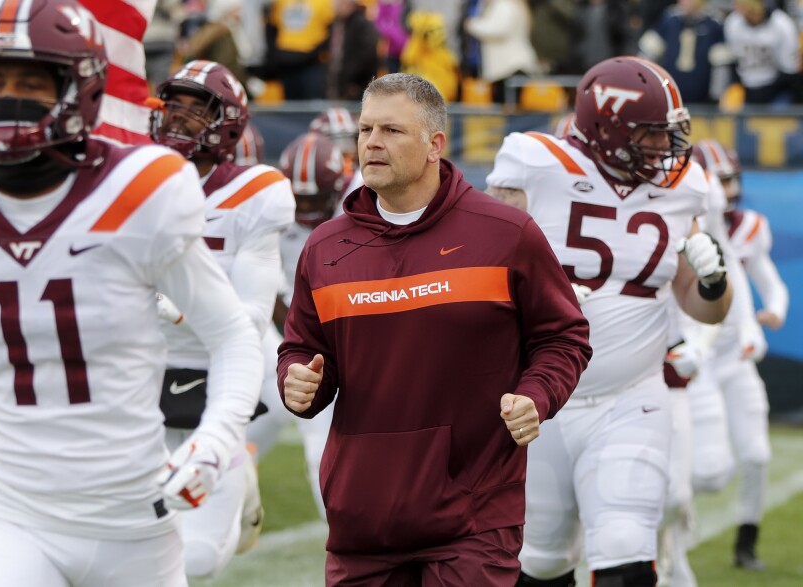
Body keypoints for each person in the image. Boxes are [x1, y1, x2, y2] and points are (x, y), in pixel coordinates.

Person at [0, 2, 264, 586]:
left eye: (32, 80)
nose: (9, 97)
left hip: (132, 514)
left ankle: (240, 481)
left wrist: (215, 440)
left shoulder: (143, 188)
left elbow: (232, 333)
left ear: (80, 88)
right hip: (6, 507)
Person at [278, 72, 592, 586]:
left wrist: (536, 395)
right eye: (365, 130)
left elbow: (564, 336)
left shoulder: (506, 233)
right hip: (363, 519)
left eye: (392, 131)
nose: (372, 143)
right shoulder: (325, 247)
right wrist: (297, 379)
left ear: (434, 145)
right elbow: (304, 349)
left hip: (473, 519)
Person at [486, 56, 734, 586]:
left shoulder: (687, 189)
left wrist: (713, 283)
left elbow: (699, 304)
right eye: (649, 135)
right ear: (607, 129)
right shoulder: (535, 164)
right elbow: (477, 266)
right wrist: (531, 288)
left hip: (632, 396)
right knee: (542, 561)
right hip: (539, 397)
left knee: (626, 545)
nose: (664, 149)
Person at [149, 59, 296, 577]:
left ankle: (241, 470)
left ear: (227, 122)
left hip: (215, 374)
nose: (179, 119)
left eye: (197, 109)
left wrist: (180, 308)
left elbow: (253, 316)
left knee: (203, 558)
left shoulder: (255, 193)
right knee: (138, 546)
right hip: (137, 377)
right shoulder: (132, 179)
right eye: (174, 106)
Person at [691, 139, 788, 570]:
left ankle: (746, 541)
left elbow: (769, 283)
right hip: (695, 365)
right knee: (705, 467)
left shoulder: (748, 227)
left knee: (756, 455)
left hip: (734, 357)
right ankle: (673, 528)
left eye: (728, 180)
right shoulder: (674, 230)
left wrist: (772, 313)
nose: (724, 191)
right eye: (716, 181)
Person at [248, 132, 349, 520]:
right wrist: (301, 338)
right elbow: (268, 290)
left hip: (357, 330)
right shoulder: (270, 209)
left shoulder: (363, 203)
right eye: (299, 200)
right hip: (303, 339)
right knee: (319, 444)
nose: (305, 209)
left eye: (314, 199)